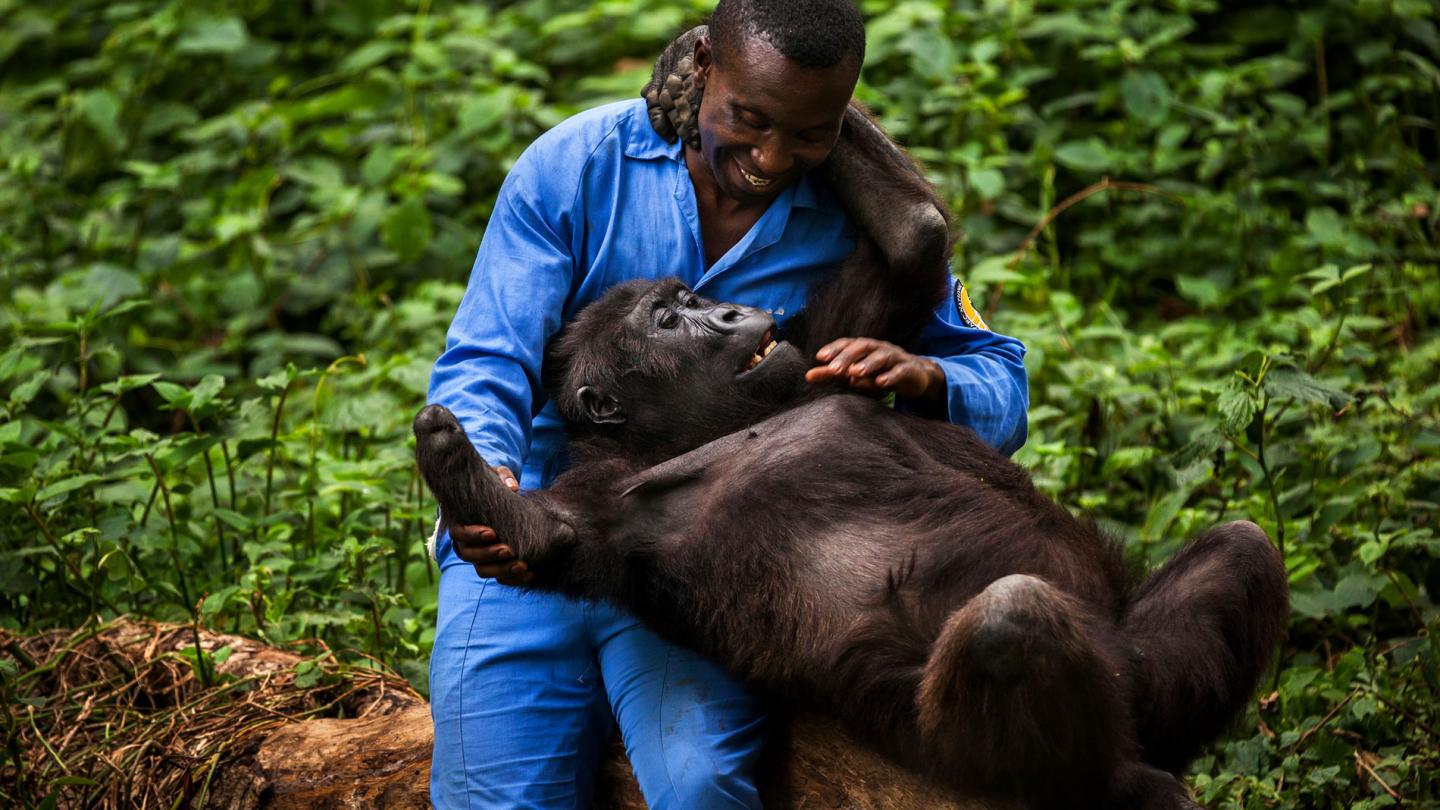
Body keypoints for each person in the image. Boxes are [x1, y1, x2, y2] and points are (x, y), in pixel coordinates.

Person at [425, 0, 1029, 806]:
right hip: (536, 500)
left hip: (710, 546)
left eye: (811, 133)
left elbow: (999, 383)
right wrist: (491, 480)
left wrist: (925, 377)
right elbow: (487, 357)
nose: (773, 159)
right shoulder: (580, 164)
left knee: (704, 783)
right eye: (750, 119)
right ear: (702, 64)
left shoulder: (855, 213)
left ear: (842, 116)